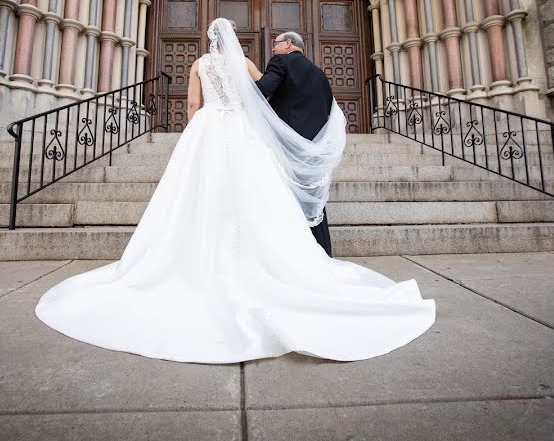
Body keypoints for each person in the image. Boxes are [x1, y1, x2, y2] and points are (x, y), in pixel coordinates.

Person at [35, 18, 435, 363]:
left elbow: (192, 108)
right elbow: (258, 101)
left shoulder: (198, 64)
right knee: (255, 198)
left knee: (196, 197)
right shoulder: (245, 63)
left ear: (210, 42)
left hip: (208, 130)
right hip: (240, 132)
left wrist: (197, 133)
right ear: (234, 44)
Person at [254, 31, 335, 256]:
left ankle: (289, 254)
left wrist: (236, 88)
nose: (272, 49)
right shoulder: (319, 74)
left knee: (282, 196)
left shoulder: (281, 61)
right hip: (312, 147)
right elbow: (328, 108)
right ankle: (321, 253)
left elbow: (264, 88)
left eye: (276, 44)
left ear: (288, 44)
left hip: (286, 145)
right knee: (311, 200)